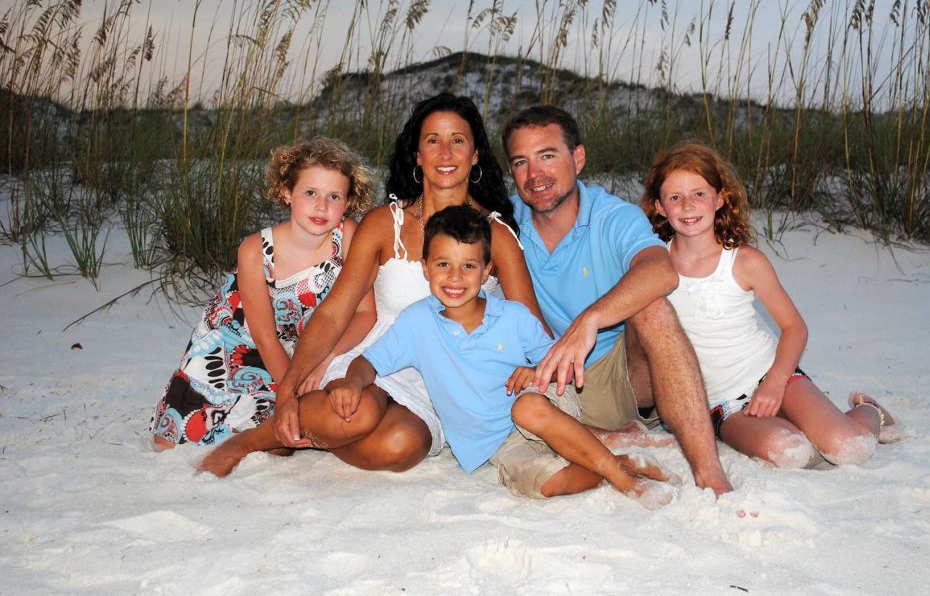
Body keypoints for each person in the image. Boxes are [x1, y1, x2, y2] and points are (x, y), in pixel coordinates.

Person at [198, 93, 544, 477]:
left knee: (402, 446)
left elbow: (528, 323)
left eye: (457, 141)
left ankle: (320, 433)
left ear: (475, 154)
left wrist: (535, 372)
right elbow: (335, 311)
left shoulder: (497, 235)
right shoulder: (384, 223)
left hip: (443, 372)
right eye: (433, 141)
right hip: (371, 354)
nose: (445, 153)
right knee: (360, 411)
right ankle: (254, 438)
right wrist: (289, 387)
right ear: (417, 155)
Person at [331, 205, 675, 507]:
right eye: (443, 264)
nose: (455, 277)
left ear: (486, 271)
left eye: (468, 266)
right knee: (547, 484)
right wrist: (351, 381)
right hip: (494, 444)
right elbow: (370, 361)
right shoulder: (416, 322)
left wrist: (536, 369)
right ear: (425, 268)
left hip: (541, 404)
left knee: (526, 407)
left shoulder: (513, 316)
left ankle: (622, 479)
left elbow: (557, 365)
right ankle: (624, 463)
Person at [501, 106, 732, 495]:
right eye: (521, 162)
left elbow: (661, 270)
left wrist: (588, 321)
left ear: (578, 158)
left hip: (621, 375)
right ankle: (618, 439)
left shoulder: (611, 215)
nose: (534, 174)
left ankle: (710, 472)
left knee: (653, 306)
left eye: (547, 156)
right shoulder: (506, 220)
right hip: (548, 382)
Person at [640, 142, 903, 468]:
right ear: (660, 207)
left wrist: (774, 385)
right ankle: (804, 423)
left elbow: (795, 328)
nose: (688, 206)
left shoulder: (745, 261)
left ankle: (869, 410)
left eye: (698, 194)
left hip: (771, 375)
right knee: (792, 454)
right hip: (723, 403)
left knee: (849, 449)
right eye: (675, 197)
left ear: (719, 199)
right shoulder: (652, 265)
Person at [151, 138, 375, 448]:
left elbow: (366, 313)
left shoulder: (348, 236)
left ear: (348, 202)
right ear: (287, 192)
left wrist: (325, 361)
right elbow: (265, 337)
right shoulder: (254, 249)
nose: (321, 206)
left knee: (289, 434)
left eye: (334, 196)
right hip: (241, 339)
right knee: (172, 439)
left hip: (310, 346)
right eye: (310, 193)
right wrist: (290, 393)